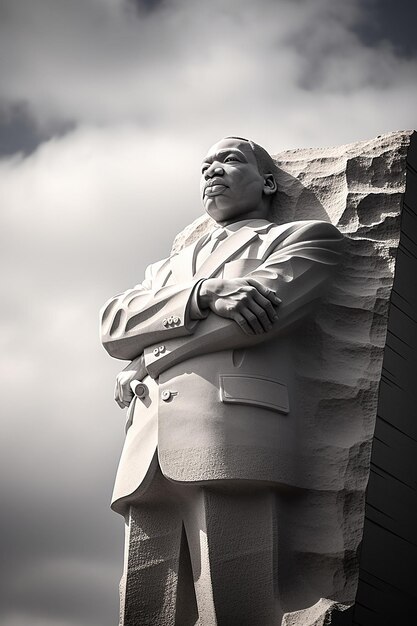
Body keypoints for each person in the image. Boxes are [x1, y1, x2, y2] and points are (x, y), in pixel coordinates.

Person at [101, 136, 344, 625]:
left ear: (268, 182)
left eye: (230, 159)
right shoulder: (165, 269)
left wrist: (146, 359)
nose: (213, 170)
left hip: (232, 433)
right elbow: (113, 325)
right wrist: (203, 293)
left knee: (235, 601)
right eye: (205, 164)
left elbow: (257, 319)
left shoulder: (303, 239)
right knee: (145, 609)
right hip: (146, 449)